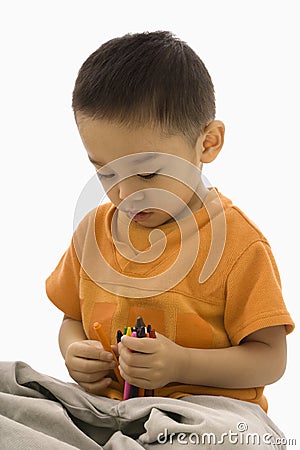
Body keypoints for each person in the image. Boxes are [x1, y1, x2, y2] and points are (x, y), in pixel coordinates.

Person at [45, 31, 294, 448]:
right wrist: (74, 353)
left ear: (208, 143)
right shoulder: (93, 232)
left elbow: (270, 360)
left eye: (145, 173)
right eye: (105, 173)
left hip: (204, 417)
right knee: (10, 388)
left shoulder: (240, 244)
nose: (124, 194)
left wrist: (181, 363)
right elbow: (71, 318)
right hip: (106, 411)